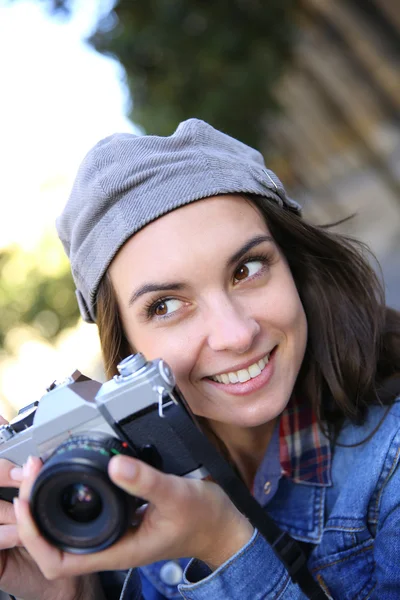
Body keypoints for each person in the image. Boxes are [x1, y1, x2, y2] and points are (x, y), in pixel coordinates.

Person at [0, 118, 399, 600]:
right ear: (128, 348)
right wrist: (75, 594)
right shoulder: (114, 498)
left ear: (294, 265)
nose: (236, 334)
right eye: (166, 306)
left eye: (247, 270)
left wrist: (223, 542)